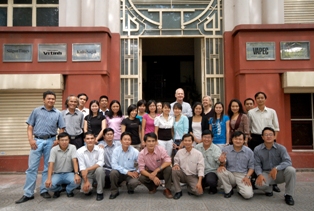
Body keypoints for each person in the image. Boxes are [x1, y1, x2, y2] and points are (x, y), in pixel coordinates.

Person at [16, 90, 65, 204]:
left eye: (53, 99)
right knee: (32, 168)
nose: (51, 100)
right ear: (44, 99)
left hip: (51, 141)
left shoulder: (58, 113)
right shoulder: (36, 111)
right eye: (49, 98)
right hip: (37, 141)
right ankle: (28, 193)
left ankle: (44, 190)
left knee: (48, 168)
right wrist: (31, 140)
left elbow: (62, 128)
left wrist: (58, 140)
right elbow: (30, 126)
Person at [247, 91, 280, 192]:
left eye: (262, 98)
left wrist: (274, 139)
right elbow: (248, 127)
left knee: (271, 159)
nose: (260, 99)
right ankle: (258, 179)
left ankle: (274, 183)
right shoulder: (251, 112)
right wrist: (249, 137)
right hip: (256, 137)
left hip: (269, 137)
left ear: (265, 99)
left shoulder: (272, 112)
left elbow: (276, 127)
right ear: (255, 100)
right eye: (258, 98)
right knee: (256, 159)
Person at [254, 127, 296, 206]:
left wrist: (276, 168)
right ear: (262, 137)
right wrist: (259, 174)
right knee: (258, 184)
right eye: (266, 135)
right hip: (266, 173)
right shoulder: (257, 149)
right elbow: (257, 164)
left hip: (279, 173)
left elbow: (288, 161)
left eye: (270, 134)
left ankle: (288, 195)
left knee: (291, 170)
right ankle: (269, 188)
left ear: (274, 136)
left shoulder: (281, 148)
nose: (268, 136)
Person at [217, 131, 254, 199]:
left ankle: (239, 188)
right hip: (230, 174)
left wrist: (248, 177)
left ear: (243, 140)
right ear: (232, 139)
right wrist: (222, 163)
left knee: (248, 195)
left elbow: (252, 167)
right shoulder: (226, 149)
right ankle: (228, 190)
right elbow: (223, 163)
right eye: (236, 139)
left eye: (240, 139)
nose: (238, 141)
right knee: (220, 171)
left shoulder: (249, 151)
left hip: (242, 175)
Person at [44, 132, 81, 198]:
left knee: (77, 181)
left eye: (66, 140)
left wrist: (76, 174)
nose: (64, 142)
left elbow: (75, 161)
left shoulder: (72, 147)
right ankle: (59, 189)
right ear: (58, 141)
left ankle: (68, 190)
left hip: (69, 173)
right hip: (57, 174)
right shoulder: (54, 149)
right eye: (62, 140)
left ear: (69, 140)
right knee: (47, 186)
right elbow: (51, 164)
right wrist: (49, 179)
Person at [138, 133, 173, 198]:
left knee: (168, 169)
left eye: (153, 141)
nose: (151, 143)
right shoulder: (141, 153)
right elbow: (141, 170)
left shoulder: (161, 149)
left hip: (161, 170)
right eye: (149, 141)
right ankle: (152, 187)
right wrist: (153, 177)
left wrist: (156, 170)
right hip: (151, 172)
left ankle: (167, 189)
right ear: (145, 142)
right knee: (141, 178)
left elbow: (168, 161)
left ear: (156, 142)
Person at [172, 134, 204, 199]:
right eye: (185, 140)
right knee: (174, 170)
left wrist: (199, 182)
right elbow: (176, 160)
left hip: (192, 175)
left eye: (189, 141)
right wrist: (176, 165)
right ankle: (178, 191)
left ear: (192, 142)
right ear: (183, 142)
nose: (187, 142)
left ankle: (190, 187)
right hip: (182, 174)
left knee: (199, 192)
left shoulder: (198, 154)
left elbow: (201, 168)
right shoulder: (180, 152)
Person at [109, 132, 140, 199]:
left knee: (135, 181)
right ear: (121, 141)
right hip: (119, 173)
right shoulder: (116, 150)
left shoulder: (135, 151)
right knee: (113, 172)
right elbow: (114, 165)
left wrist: (137, 171)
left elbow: (141, 163)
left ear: (131, 141)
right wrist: (126, 172)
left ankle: (130, 187)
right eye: (125, 139)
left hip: (131, 173)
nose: (127, 141)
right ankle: (114, 191)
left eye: (129, 140)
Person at [77, 132, 105, 201]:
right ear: (84, 140)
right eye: (88, 139)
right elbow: (82, 168)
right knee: (85, 191)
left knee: (100, 169)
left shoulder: (100, 149)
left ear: (95, 139)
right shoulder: (79, 151)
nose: (90, 140)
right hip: (87, 173)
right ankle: (91, 185)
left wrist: (88, 169)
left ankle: (99, 192)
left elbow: (100, 162)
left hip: (96, 171)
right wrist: (86, 181)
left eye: (92, 138)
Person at [195, 130, 221, 194]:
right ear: (202, 138)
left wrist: (222, 161)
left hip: (211, 171)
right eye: (205, 137)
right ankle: (203, 184)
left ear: (212, 139)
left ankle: (213, 187)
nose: (206, 139)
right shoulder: (197, 147)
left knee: (210, 180)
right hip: (199, 171)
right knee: (195, 189)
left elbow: (220, 162)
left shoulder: (216, 149)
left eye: (209, 137)